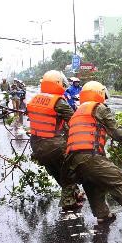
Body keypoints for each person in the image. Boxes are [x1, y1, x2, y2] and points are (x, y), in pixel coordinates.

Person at [62, 81, 122, 230]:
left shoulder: (78, 111)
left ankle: (103, 215)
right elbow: (118, 133)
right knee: (120, 182)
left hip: (72, 160)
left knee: (92, 184)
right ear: (99, 93)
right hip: (89, 156)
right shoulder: (99, 108)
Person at [26, 70, 83, 210]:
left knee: (56, 171)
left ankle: (75, 193)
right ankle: (69, 202)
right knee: (69, 171)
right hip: (53, 145)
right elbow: (74, 120)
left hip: (36, 145)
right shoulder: (58, 101)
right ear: (58, 83)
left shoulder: (34, 99)